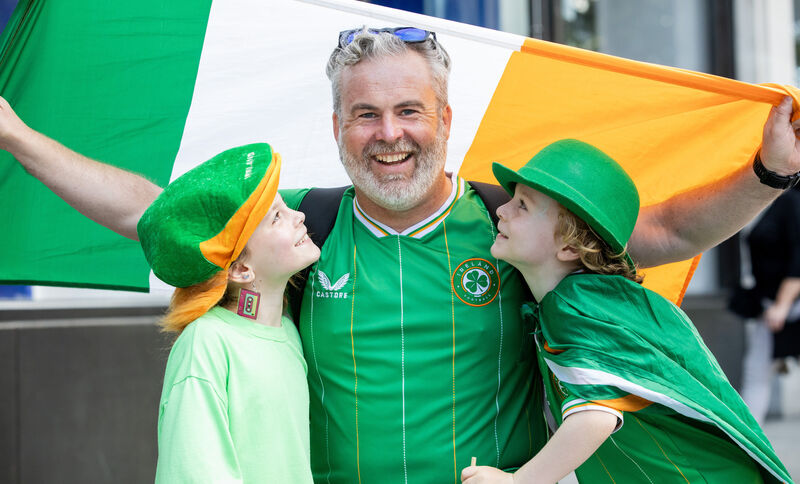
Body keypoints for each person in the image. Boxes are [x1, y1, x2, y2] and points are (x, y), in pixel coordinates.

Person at [0, 26, 799, 483]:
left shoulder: (512, 226)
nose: (389, 134)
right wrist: (17, 135)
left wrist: (772, 171)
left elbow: (665, 230)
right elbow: (152, 210)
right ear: (337, 125)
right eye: (365, 114)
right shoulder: (302, 233)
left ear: (447, 118)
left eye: (409, 110)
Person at [461, 139, 791, 484]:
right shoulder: (602, 301)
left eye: (523, 206)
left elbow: (596, 415)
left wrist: (519, 482)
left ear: (569, 245)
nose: (502, 210)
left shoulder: (577, 307)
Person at [139, 143, 320, 483]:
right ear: (239, 269)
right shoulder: (205, 343)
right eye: (277, 217)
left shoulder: (287, 330)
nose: (300, 217)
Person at [731, 184, 800, 424]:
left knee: (757, 372)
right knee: (756, 372)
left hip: (786, 305)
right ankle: (749, 443)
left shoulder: (790, 202)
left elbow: (798, 259)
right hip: (769, 304)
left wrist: (782, 305)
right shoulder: (763, 203)